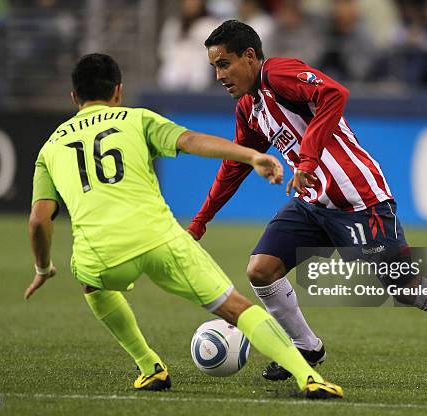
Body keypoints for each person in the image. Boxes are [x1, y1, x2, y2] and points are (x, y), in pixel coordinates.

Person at [187, 20, 427, 388]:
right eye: (214, 68)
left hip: (361, 200)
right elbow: (237, 163)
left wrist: (306, 161)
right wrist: (200, 221)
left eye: (224, 64)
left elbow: (333, 93)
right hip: (313, 203)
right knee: (261, 270)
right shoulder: (248, 109)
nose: (219, 75)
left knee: (406, 286)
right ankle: (306, 347)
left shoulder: (278, 73)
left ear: (250, 56)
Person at [24, 53, 343, 399]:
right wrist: (250, 155)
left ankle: (149, 368)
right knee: (238, 309)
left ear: (74, 97)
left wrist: (42, 267)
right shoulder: (136, 119)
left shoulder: (50, 147)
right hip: (161, 239)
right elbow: (191, 141)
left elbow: (40, 219)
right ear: (118, 91)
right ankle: (308, 377)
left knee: (92, 285)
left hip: (100, 251)